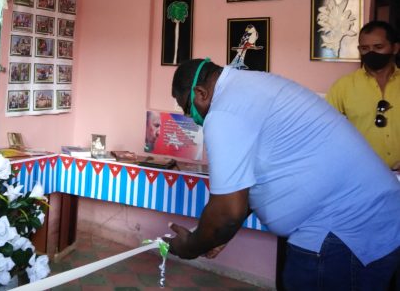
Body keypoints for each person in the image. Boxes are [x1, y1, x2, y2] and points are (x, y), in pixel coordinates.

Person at [164, 58, 400, 290]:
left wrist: (190, 246)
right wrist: (218, 235)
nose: (192, 118)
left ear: (201, 93)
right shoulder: (252, 85)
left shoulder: (223, 111)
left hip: (343, 230)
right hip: (371, 218)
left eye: (188, 109)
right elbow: (245, 189)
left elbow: (227, 212)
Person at [326, 20, 399, 169]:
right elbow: (325, 129)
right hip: (361, 172)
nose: (371, 53)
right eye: (365, 48)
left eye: (378, 47)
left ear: (395, 48)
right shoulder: (343, 86)